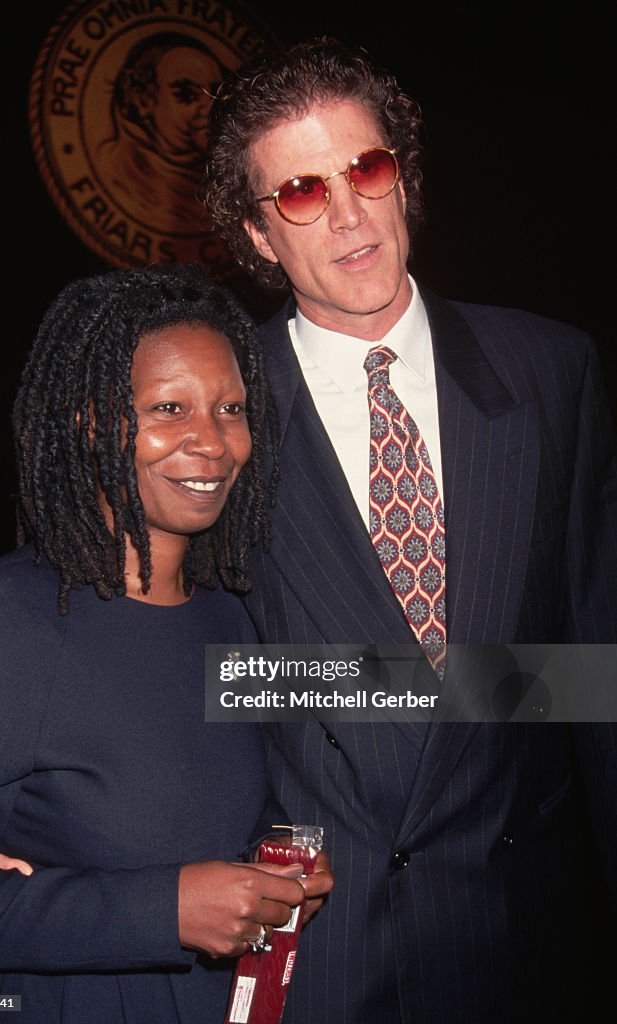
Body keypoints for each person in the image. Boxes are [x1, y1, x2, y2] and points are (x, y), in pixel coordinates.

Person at [204, 36, 617, 1024]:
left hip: (530, 940)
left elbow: (594, 670)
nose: (348, 213)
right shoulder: (214, 409)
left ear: (403, 176)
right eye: (302, 191)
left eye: (368, 168)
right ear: (259, 236)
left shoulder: (552, 370)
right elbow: (204, 674)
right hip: (326, 950)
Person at [0, 263, 333, 1024]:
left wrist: (272, 874)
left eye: (230, 407)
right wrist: (161, 909)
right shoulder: (0, 617)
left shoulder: (231, 617)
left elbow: (207, 814)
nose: (212, 443)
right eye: (169, 407)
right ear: (90, 422)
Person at [98, 33, 223, 233]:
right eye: (186, 94)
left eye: (215, 95)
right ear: (144, 99)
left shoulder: (228, 186)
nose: (208, 108)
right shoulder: (117, 177)